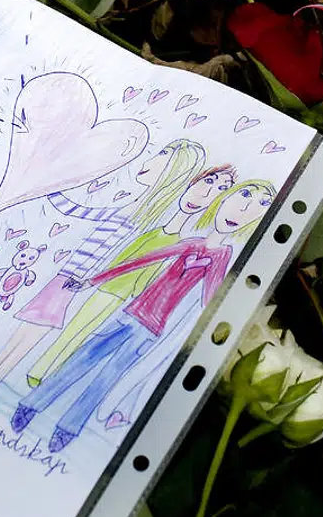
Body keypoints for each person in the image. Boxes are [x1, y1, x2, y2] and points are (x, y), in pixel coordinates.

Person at [11, 180, 276, 453]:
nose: (242, 211)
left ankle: (68, 428)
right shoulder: (191, 243)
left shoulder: (223, 255)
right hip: (129, 314)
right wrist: (91, 281)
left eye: (260, 205)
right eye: (243, 197)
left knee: (108, 377)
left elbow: (210, 296)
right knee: (82, 359)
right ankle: (31, 404)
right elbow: (141, 261)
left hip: (151, 329)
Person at [0, 140, 203, 404]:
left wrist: (51, 185)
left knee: (33, 329)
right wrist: (51, 185)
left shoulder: (141, 218)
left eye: (164, 154)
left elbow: (110, 247)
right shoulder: (137, 209)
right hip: (69, 277)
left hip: (74, 281)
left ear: (172, 171)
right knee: (31, 327)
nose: (152, 158)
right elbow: (83, 214)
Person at [27, 162, 235, 386]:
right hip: (112, 288)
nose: (206, 193)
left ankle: (45, 373)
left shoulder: (182, 242)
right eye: (208, 181)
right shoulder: (156, 229)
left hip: (124, 297)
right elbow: (130, 261)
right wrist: (94, 280)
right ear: (191, 182)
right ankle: (42, 371)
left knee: (82, 333)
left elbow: (147, 270)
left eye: (220, 189)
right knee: (76, 330)